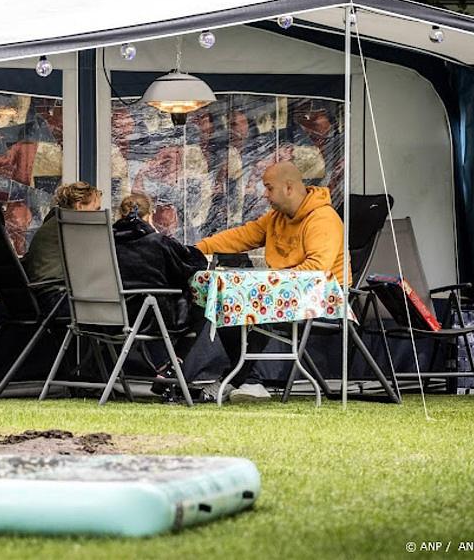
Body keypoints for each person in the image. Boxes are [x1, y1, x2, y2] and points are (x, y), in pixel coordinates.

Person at [194, 160, 348, 402]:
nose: (264, 195)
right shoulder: (276, 217)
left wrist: (267, 283)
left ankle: (246, 380)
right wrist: (197, 249)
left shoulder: (323, 219)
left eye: (269, 188)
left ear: (288, 187)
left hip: (323, 302)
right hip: (285, 295)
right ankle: (246, 380)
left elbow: (317, 271)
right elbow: (242, 236)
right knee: (227, 301)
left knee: (250, 305)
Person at [112, 193, 210, 402]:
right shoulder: (159, 242)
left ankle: (166, 368)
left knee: (156, 305)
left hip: (107, 317)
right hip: (151, 318)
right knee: (203, 307)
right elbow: (195, 264)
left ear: (119, 214)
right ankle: (171, 368)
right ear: (149, 216)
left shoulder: (104, 243)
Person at [21, 181, 102, 313]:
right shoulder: (72, 226)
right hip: (57, 299)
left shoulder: (55, 223)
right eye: (96, 209)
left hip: (44, 296)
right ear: (80, 205)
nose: (98, 213)